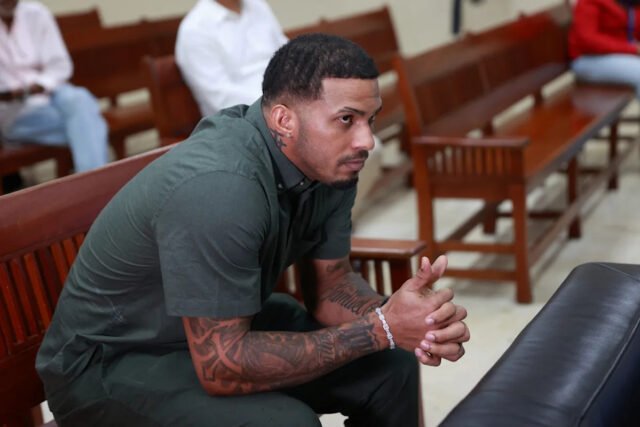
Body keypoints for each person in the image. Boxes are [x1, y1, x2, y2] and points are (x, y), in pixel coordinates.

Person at [36, 34, 470, 426]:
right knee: (288, 422)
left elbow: (332, 284)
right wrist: (380, 329)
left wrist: (412, 319)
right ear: (284, 120)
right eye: (346, 119)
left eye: (370, 120)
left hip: (212, 327)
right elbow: (222, 367)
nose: (366, 141)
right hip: (112, 363)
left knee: (391, 367)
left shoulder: (330, 166)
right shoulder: (221, 186)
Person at [0, 0, 108, 173]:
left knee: (80, 99)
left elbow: (60, 66)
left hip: (51, 92)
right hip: (13, 110)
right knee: (90, 122)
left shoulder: (36, 13)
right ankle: (96, 183)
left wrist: (38, 85)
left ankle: (91, 183)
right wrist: (14, 93)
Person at [175, 0, 288, 117]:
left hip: (286, 104)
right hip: (246, 119)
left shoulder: (258, 5)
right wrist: (281, 103)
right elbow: (222, 98)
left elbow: (287, 55)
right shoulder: (195, 29)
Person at [569, 0, 640, 96]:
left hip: (621, 54)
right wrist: (633, 49)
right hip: (588, 59)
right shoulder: (589, 2)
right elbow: (588, 40)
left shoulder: (631, 2)